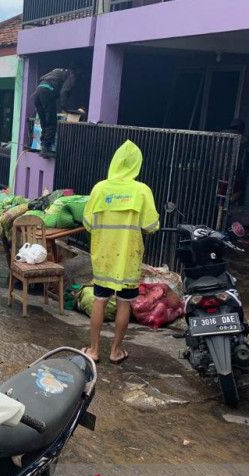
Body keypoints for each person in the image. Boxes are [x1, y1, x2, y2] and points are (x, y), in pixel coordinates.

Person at [82, 140, 159, 364]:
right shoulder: (142, 191)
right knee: (124, 304)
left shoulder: (100, 188)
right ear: (137, 164)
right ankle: (115, 351)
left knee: (99, 300)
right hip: (128, 258)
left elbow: (88, 222)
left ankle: (94, 350)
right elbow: (152, 225)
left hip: (104, 257)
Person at [32, 67, 78, 156]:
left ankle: (43, 146)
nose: (73, 84)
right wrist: (65, 108)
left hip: (37, 92)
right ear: (73, 76)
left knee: (44, 121)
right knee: (51, 122)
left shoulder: (56, 72)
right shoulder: (69, 75)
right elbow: (63, 92)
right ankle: (46, 148)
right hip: (46, 92)